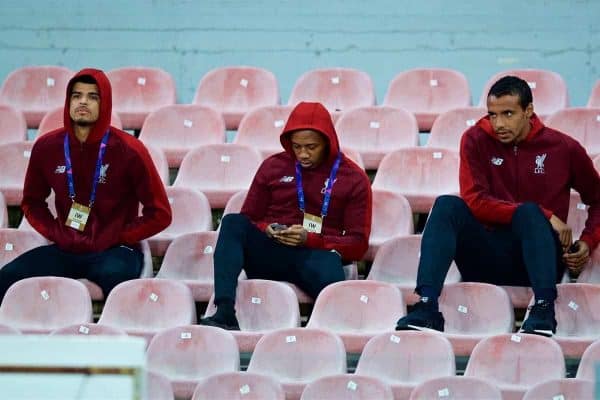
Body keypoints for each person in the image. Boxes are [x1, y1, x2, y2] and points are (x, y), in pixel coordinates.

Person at [396, 76, 600, 336]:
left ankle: (544, 309)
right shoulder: (475, 139)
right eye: (493, 115)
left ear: (528, 111)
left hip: (539, 262)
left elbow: (598, 199)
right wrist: (547, 214)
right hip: (487, 256)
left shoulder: (563, 148)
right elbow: (476, 202)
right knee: (447, 205)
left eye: (508, 114)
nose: (499, 123)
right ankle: (426, 306)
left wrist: (588, 240)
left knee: (528, 213)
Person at [0, 68, 172, 301]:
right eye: (76, 95)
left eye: (93, 97)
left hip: (113, 250)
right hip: (65, 249)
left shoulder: (129, 150)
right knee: (7, 277)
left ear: (106, 104)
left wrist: (121, 236)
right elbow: (32, 202)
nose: (83, 102)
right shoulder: (47, 147)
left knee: (119, 284)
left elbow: (160, 213)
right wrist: (54, 232)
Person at [200, 101, 372, 330]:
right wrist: (266, 229)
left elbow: (358, 245)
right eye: (297, 146)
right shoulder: (273, 166)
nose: (302, 154)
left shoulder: (353, 178)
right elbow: (249, 218)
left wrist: (309, 239)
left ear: (328, 142)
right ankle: (224, 312)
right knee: (232, 223)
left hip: (314, 255)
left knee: (330, 264)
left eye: (311, 147)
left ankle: (321, 332)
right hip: (271, 251)